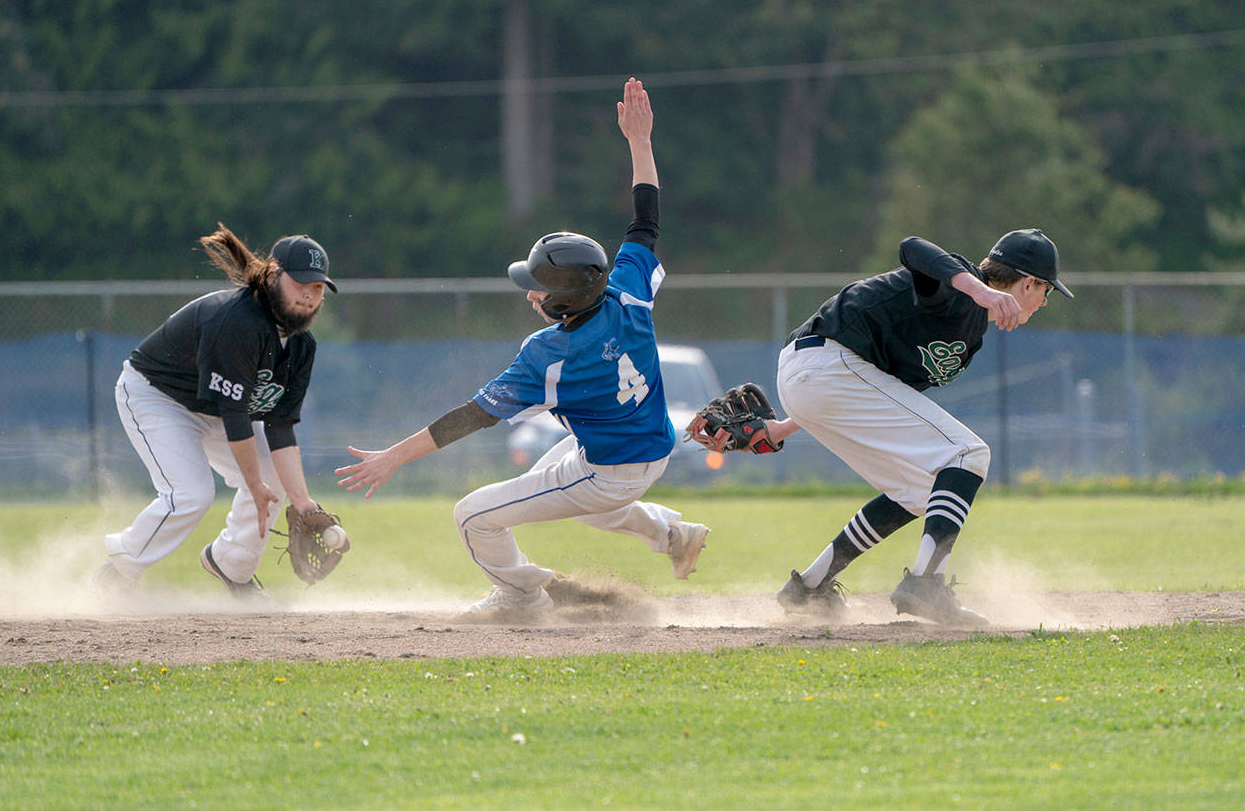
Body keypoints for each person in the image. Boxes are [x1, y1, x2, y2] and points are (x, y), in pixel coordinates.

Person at [335, 77, 709, 621]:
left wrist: (392, 456)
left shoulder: (548, 354)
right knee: (589, 504)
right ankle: (675, 535)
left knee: (473, 516)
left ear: (560, 302)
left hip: (612, 469)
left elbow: (471, 417)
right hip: (650, 448)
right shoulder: (626, 293)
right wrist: (640, 141)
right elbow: (645, 222)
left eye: (537, 285)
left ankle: (523, 596)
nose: (530, 291)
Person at [752, 229, 1072, 624]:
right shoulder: (958, 287)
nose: (1045, 301)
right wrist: (982, 291)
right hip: (825, 362)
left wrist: (784, 427)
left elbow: (882, 387)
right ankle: (925, 584)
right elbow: (913, 248)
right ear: (1028, 282)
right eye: (1047, 290)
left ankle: (811, 588)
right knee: (968, 454)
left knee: (925, 489)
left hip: (823, 378)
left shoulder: (970, 335)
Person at [93, 225, 336, 599]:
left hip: (217, 412)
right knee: (191, 494)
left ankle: (233, 566)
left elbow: (280, 424)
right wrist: (253, 486)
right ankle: (120, 569)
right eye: (300, 282)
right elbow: (237, 415)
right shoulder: (237, 322)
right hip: (158, 398)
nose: (308, 294)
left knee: (274, 479)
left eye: (317, 287)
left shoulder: (302, 347)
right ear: (273, 275)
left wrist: (302, 502)